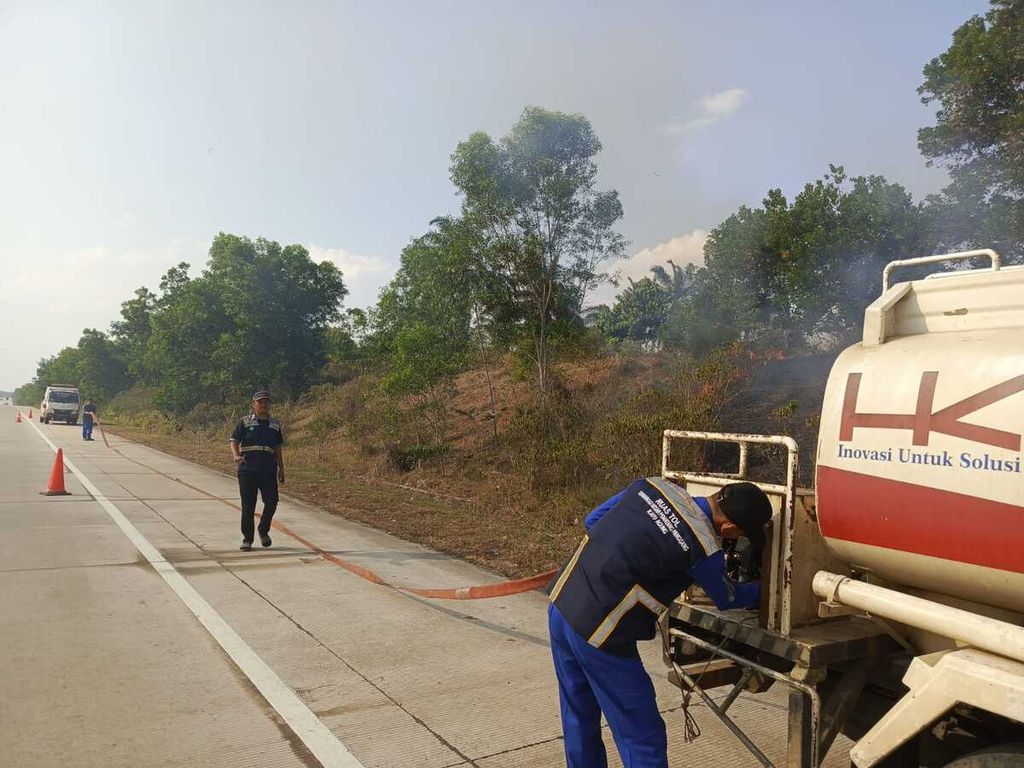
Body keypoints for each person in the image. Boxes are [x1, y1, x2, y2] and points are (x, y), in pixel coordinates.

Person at [546, 477, 772, 768]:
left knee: (579, 714)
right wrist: (765, 589)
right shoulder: (703, 548)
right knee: (642, 735)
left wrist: (629, 559)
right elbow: (727, 597)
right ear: (728, 528)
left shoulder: (653, 486)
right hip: (600, 632)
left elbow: (594, 520)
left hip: (563, 602)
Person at [228, 390, 286, 551]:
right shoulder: (245, 422)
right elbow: (233, 440)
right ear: (253, 404)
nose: (263, 405)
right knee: (248, 505)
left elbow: (277, 447)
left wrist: (282, 467)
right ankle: (247, 539)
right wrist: (236, 456)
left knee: (272, 502)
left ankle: (263, 529)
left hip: (268, 468)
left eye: (266, 402)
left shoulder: (275, 424)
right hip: (248, 469)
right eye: (260, 402)